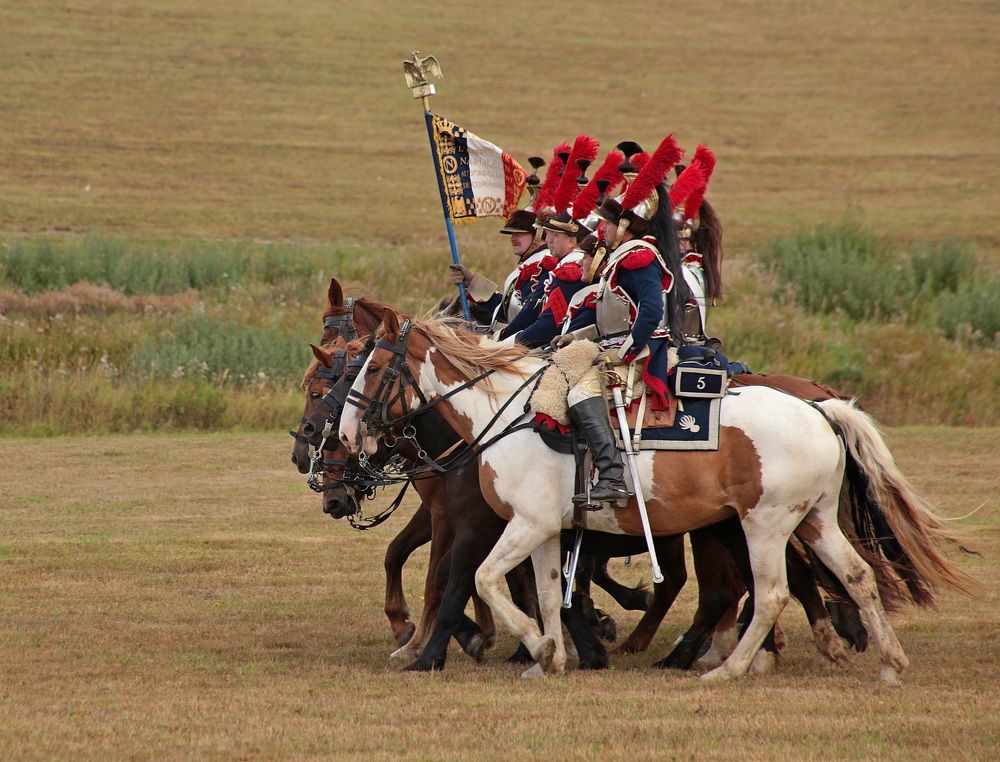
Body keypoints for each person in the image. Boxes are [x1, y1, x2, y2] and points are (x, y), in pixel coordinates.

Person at [560, 134, 689, 504]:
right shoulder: (623, 255)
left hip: (642, 350)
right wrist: (575, 336)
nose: (602, 230)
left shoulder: (638, 257)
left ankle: (612, 474)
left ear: (627, 226)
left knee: (580, 390)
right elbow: (610, 319)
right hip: (618, 343)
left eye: (608, 225)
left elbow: (650, 310)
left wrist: (631, 348)